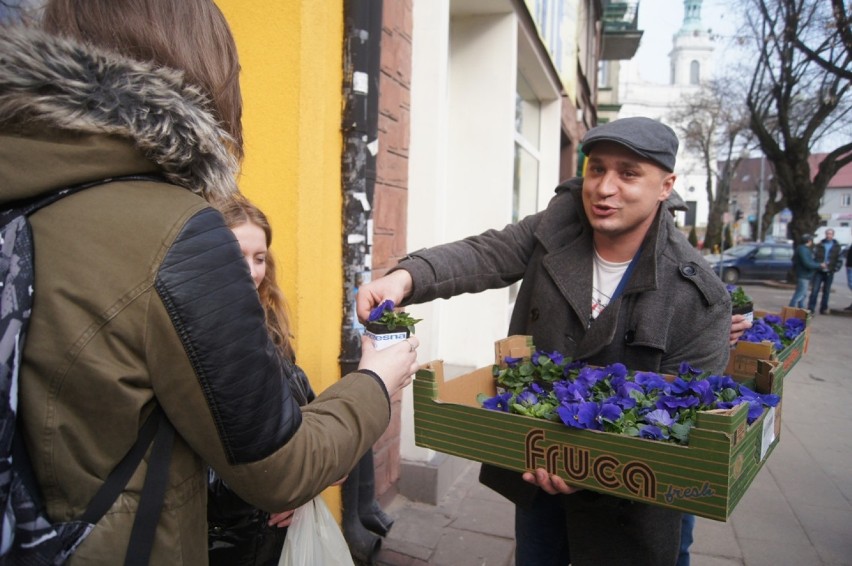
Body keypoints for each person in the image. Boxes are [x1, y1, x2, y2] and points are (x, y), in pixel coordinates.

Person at [0, 2, 419, 563]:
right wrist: (375, 382)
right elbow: (281, 468)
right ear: (205, 75)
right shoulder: (176, 234)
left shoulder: (30, 187)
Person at [355, 116, 732, 565]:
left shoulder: (697, 295)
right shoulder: (557, 227)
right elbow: (485, 253)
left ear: (665, 185)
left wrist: (588, 461)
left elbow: (686, 418)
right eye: (596, 169)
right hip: (537, 471)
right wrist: (406, 277)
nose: (604, 188)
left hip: (631, 501)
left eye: (629, 173)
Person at [207, 196, 343, 565]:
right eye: (238, 255)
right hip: (227, 542)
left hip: (271, 535)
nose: (252, 271)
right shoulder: (195, 339)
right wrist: (279, 491)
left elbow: (302, 416)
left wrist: (320, 468)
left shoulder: (271, 331)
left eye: (260, 258)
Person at [808, 228, 844, 314]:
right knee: (815, 290)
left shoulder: (837, 246)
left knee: (826, 291)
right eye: (827, 234)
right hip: (819, 271)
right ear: (825, 234)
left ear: (833, 235)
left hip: (829, 271)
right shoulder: (820, 245)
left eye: (830, 234)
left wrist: (835, 269)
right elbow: (813, 256)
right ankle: (811, 308)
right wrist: (816, 266)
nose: (829, 235)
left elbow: (839, 259)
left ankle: (823, 308)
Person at [789, 234, 823, 308]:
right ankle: (791, 308)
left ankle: (801, 309)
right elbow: (807, 263)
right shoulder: (803, 249)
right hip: (804, 274)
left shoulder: (803, 249)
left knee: (803, 294)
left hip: (805, 274)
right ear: (809, 241)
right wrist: (819, 265)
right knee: (800, 293)